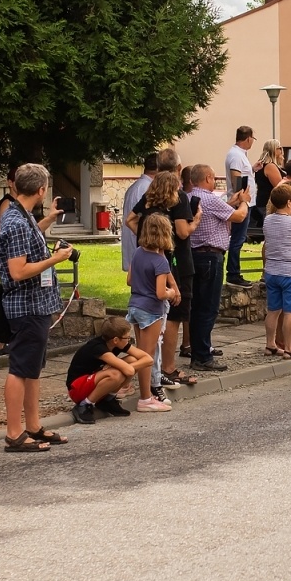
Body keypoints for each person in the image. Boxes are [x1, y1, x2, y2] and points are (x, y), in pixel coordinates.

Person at [0, 163, 74, 451]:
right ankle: (14, 433)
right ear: (41, 190)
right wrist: (56, 260)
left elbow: (30, 241)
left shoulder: (21, 215)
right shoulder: (16, 221)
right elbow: (18, 271)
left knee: (33, 368)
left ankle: (33, 425)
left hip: (37, 305)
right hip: (26, 306)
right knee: (20, 368)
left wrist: (50, 219)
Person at [128, 163, 199, 391]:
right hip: (175, 261)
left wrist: (145, 236)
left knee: (147, 328)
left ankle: (148, 374)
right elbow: (182, 231)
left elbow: (130, 219)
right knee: (173, 315)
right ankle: (167, 369)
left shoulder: (148, 199)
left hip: (146, 262)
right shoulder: (178, 199)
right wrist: (196, 220)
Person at [188, 163, 246, 371]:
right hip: (211, 257)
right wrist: (244, 203)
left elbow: (222, 210)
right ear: (207, 178)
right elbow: (238, 216)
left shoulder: (190, 197)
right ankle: (202, 355)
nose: (215, 181)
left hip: (194, 255)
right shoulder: (210, 199)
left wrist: (234, 202)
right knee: (208, 308)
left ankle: (197, 350)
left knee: (196, 307)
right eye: (213, 178)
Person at [123, 212, 176, 413]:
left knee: (139, 352)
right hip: (151, 310)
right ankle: (145, 398)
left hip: (134, 305)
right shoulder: (160, 261)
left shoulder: (138, 252)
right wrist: (171, 292)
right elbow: (161, 292)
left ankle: (127, 385)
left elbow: (129, 280)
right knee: (147, 356)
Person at [67, 316, 153, 424]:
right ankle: (84, 404)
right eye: (127, 337)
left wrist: (121, 366)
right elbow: (130, 371)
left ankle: (108, 399)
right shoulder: (98, 347)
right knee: (116, 374)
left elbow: (148, 359)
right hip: (77, 388)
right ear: (116, 340)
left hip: (94, 381)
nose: (129, 340)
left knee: (132, 360)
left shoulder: (117, 343)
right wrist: (120, 367)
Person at [262, 183, 291, 360]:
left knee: (273, 310)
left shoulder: (268, 220)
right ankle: (289, 348)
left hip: (273, 270)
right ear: (290, 202)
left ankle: (270, 344)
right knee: (290, 312)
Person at [225, 126, 257, 285]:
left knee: (239, 237)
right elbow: (236, 178)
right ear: (248, 138)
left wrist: (252, 169)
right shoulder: (236, 155)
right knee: (238, 238)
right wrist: (241, 199)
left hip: (245, 201)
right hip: (241, 202)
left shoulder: (239, 155)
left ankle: (234, 271)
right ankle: (233, 272)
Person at [119, 152, 158, 273]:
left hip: (135, 242)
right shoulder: (148, 189)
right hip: (141, 243)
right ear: (158, 169)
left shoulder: (135, 186)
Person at [252, 139, 283, 239]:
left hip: (263, 202)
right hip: (268, 204)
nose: (282, 150)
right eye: (279, 148)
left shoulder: (264, 166)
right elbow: (280, 186)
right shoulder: (270, 166)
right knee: (272, 236)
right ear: (273, 150)